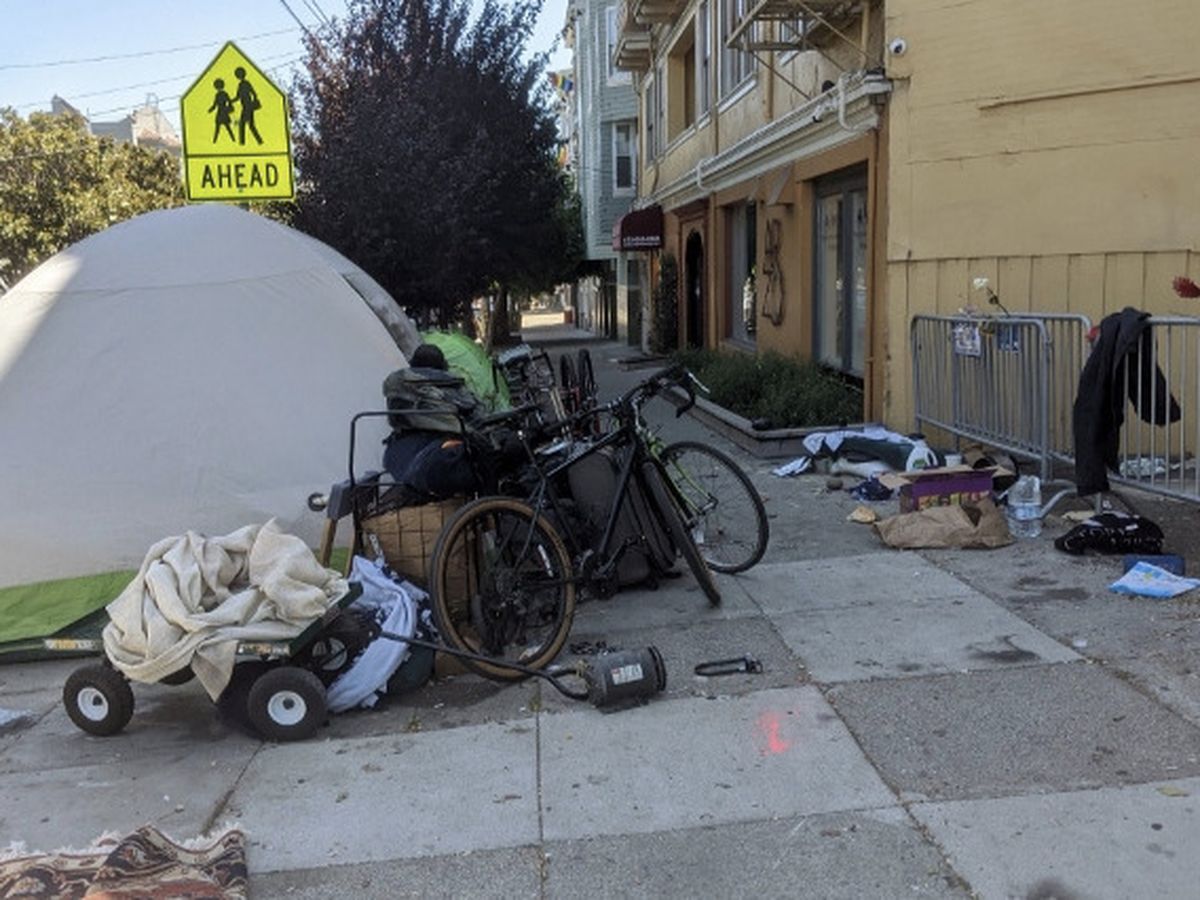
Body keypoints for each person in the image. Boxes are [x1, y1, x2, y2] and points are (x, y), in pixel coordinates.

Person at [208, 79, 235, 143]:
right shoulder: (223, 94)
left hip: (221, 112)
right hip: (223, 112)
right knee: (225, 128)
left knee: (220, 128)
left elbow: (215, 104)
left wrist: (210, 110)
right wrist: (210, 109)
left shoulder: (219, 95)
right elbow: (229, 102)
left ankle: (215, 141)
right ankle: (232, 139)